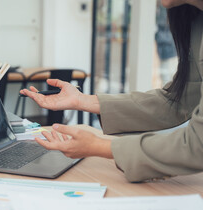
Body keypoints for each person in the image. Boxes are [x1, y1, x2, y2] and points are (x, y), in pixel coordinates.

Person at [20, 0, 203, 182]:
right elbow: (177, 99)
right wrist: (82, 100)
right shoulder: (194, 19)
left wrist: (98, 146)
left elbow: (197, 145)